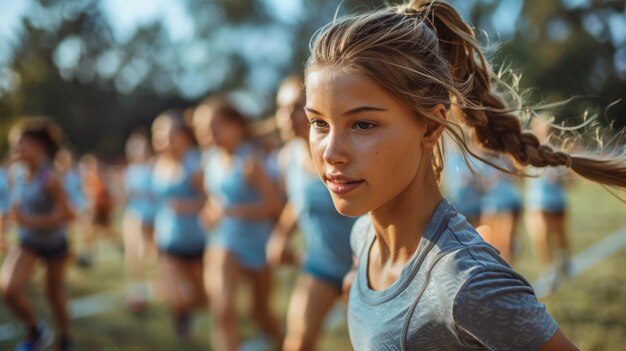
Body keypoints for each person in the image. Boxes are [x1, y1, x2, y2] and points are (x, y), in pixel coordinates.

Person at [303, 1, 624, 349]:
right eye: (319, 123)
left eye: (363, 124)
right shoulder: (364, 235)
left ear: (429, 126)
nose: (331, 152)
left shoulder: (468, 283)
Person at [266, 75, 357, 351]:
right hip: (320, 266)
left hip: (364, 267)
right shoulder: (287, 158)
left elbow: (372, 209)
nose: (285, 116)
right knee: (297, 343)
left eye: (295, 107)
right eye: (280, 108)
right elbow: (297, 201)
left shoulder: (338, 155)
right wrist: (281, 235)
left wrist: (360, 264)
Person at [198, 97, 283, 351]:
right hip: (224, 242)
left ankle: (284, 344)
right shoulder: (209, 159)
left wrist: (233, 211)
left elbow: (274, 207)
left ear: (235, 126)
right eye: (202, 128)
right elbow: (214, 199)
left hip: (258, 245)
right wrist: (209, 212)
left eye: (214, 126)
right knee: (222, 311)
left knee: (260, 314)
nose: (207, 133)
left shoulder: (251, 161)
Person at [0, 118, 73, 351]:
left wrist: (30, 221)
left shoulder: (50, 177)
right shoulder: (16, 173)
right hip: (28, 241)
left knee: (53, 295)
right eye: (14, 145)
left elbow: (67, 215)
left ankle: (64, 338)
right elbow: (14, 208)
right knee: (8, 289)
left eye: (21, 145)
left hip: (54, 244)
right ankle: (36, 331)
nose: (16, 150)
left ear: (39, 146)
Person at [151, 110, 208, 338]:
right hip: (168, 240)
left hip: (196, 240)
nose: (160, 139)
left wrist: (189, 207)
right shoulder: (159, 164)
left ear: (182, 135)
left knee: (203, 299)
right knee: (175, 296)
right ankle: (181, 318)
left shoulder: (194, 164)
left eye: (165, 133)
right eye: (156, 134)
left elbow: (210, 200)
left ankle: (188, 315)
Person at [524, 118, 572, 290]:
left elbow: (570, 179)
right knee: (541, 237)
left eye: (546, 129)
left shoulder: (559, 151)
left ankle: (564, 258)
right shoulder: (528, 150)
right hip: (537, 201)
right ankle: (548, 271)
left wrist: (563, 176)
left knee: (559, 234)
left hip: (556, 200)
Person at [121, 129, 157, 313]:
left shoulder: (153, 168)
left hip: (150, 217)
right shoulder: (130, 171)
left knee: (149, 254)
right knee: (133, 256)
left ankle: (154, 287)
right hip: (133, 216)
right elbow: (127, 196)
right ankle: (137, 293)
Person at [75, 154, 114, 268]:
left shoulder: (96, 180)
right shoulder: (89, 180)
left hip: (99, 210)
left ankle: (88, 255)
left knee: (97, 231)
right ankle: (88, 255)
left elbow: (97, 198)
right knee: (92, 232)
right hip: (95, 211)